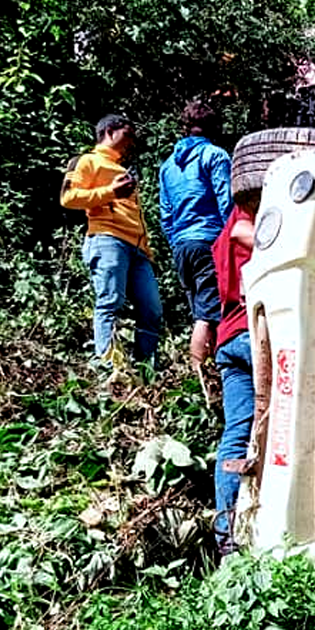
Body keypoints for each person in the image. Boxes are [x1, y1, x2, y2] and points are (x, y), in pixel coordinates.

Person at [61, 114, 162, 373]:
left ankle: (144, 371)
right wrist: (111, 192)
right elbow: (68, 197)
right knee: (110, 302)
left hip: (138, 248)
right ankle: (110, 370)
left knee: (151, 310)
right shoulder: (87, 161)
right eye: (127, 134)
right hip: (107, 238)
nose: (131, 141)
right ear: (109, 131)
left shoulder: (122, 169)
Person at [159, 102, 233, 380]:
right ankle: (199, 376)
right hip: (208, 241)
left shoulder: (168, 166)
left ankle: (205, 375)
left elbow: (165, 214)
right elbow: (226, 202)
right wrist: (231, 242)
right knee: (209, 314)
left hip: (182, 246)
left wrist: (176, 243)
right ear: (215, 128)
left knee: (200, 312)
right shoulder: (215, 156)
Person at [211, 187, 259, 555]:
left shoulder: (220, 237)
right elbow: (248, 233)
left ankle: (227, 537)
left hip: (228, 339)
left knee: (236, 433)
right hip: (255, 335)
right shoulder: (248, 224)